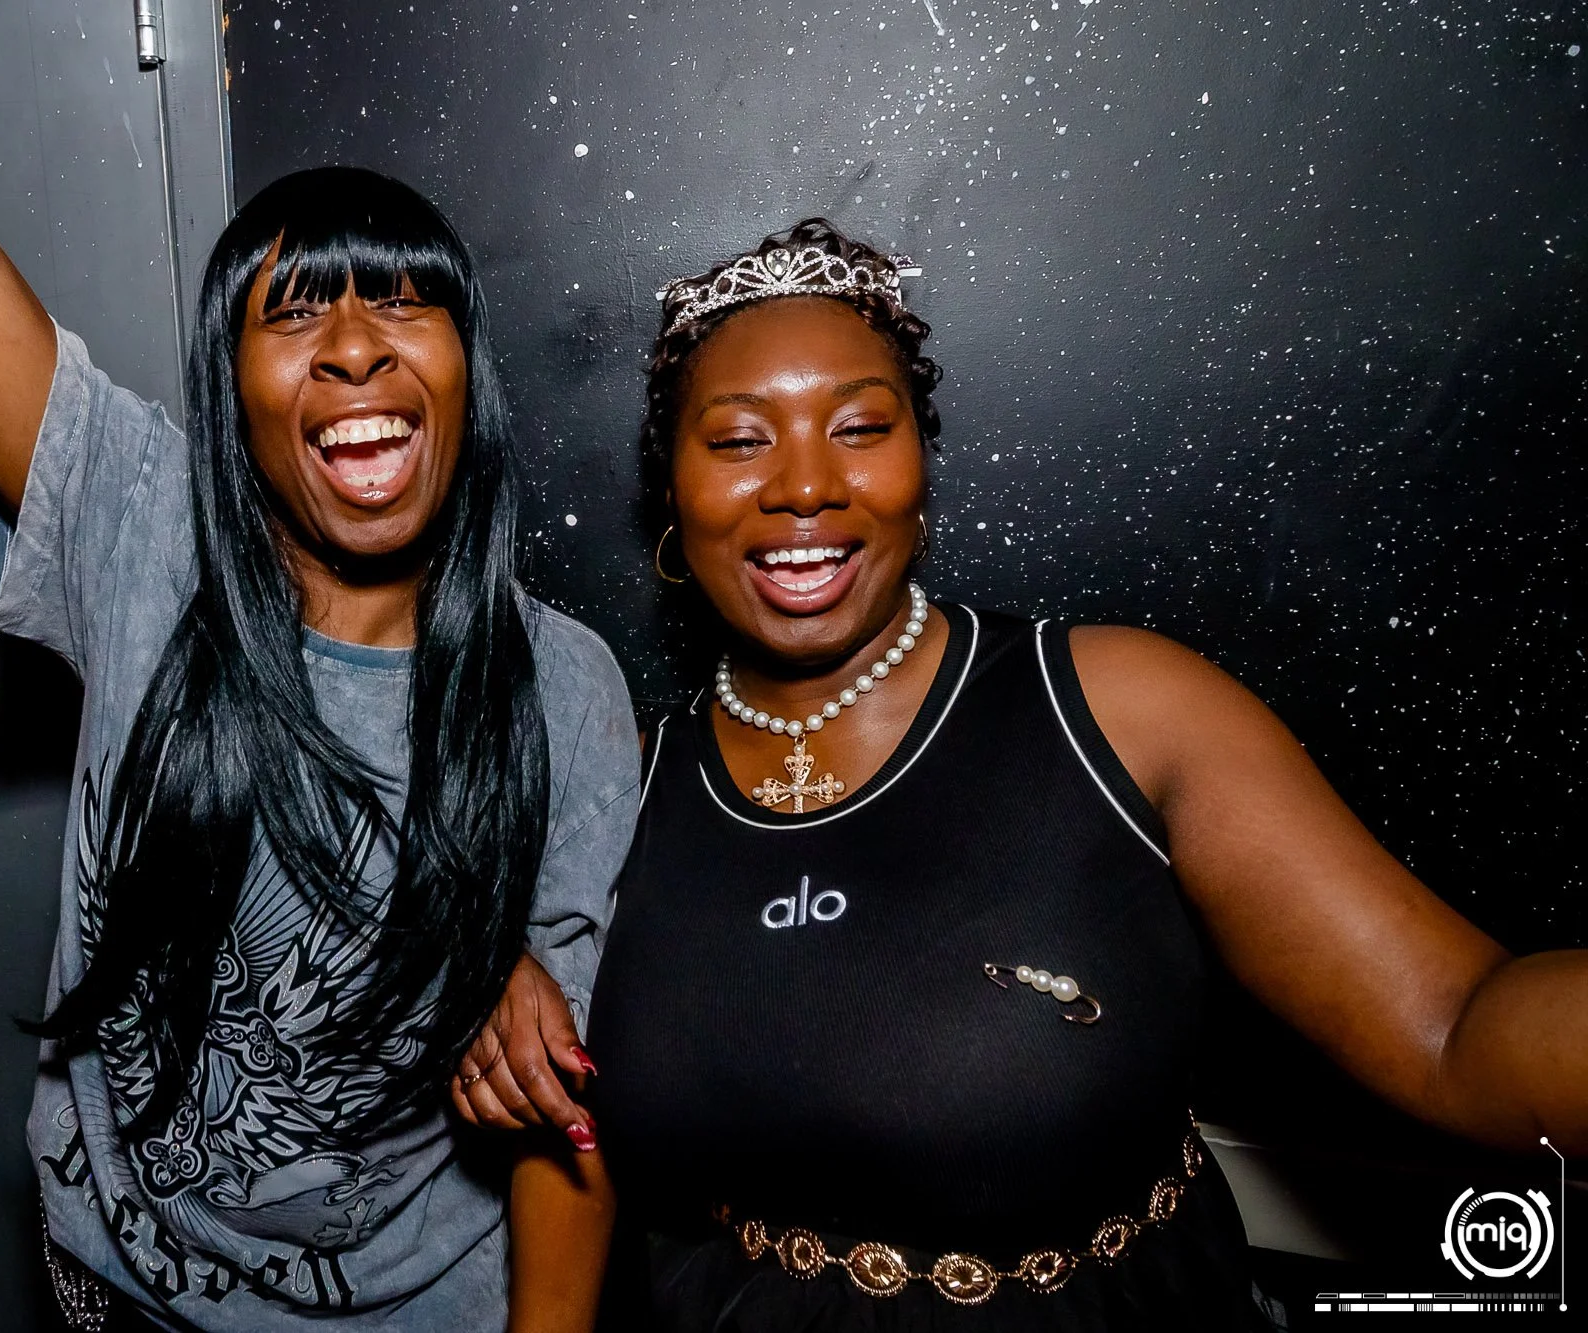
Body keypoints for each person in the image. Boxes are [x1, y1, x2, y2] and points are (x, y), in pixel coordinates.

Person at [460, 220, 1588, 1330]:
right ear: (672, 493)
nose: (804, 485)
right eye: (739, 439)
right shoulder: (618, 789)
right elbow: (564, 1135)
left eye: (860, 427)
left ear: (919, 462)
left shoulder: (1122, 706)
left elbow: (1455, 1032)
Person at [0, 4, 634, 1329]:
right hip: (120, 1284)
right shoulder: (140, 526)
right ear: (230, 393)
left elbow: (567, 1119)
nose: (355, 344)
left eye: (402, 300)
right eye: (293, 313)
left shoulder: (566, 691)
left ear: (463, 368)